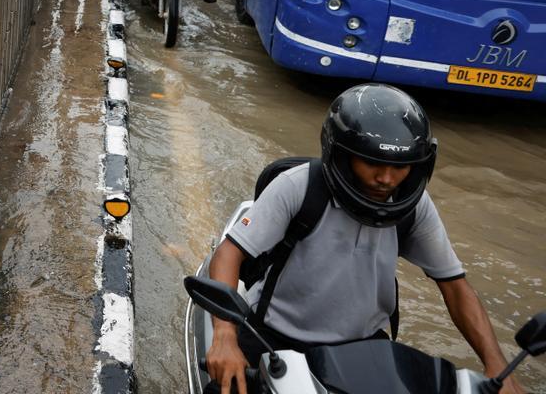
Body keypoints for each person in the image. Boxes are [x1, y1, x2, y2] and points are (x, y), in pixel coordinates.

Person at [204, 84, 525, 394]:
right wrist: (224, 335)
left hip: (365, 348)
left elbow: (455, 287)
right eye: (372, 162)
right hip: (275, 337)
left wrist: (496, 363)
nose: (386, 179)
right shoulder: (297, 187)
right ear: (342, 153)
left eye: (400, 166)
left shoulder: (416, 207)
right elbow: (230, 253)